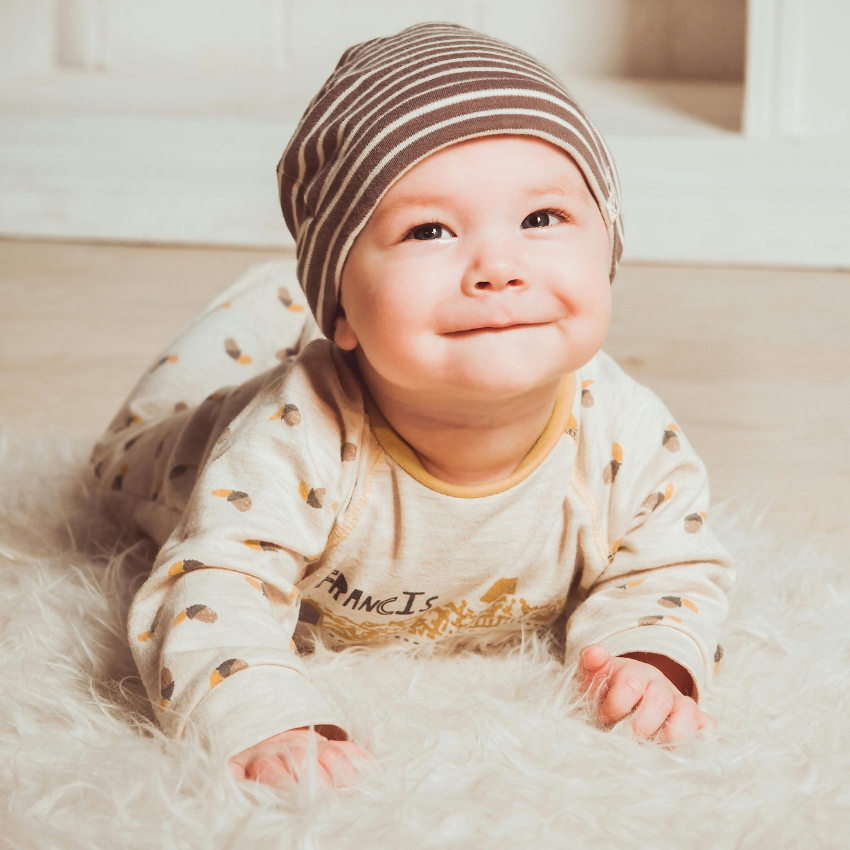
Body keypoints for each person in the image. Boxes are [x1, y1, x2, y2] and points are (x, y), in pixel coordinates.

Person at [90, 22, 734, 791]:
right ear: (344, 312)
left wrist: (649, 653)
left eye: (541, 220)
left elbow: (674, 561)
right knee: (138, 440)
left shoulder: (622, 427)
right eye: (429, 230)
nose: (498, 267)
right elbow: (211, 585)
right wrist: (267, 716)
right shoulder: (293, 432)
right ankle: (275, 302)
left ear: (609, 249)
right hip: (185, 453)